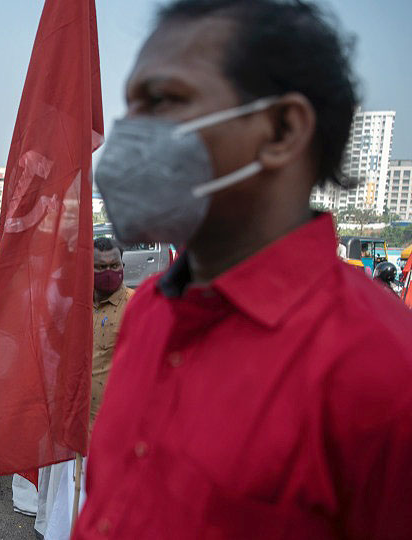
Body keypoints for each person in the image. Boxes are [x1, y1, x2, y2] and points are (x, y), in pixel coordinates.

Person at [78, 0, 412, 537]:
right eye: (131, 106)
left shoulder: (385, 376)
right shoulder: (151, 315)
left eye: (163, 100)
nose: (127, 139)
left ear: (282, 129)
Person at [36, 237, 133, 539]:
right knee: (74, 508)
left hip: (118, 432)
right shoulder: (74, 310)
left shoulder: (137, 306)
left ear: (123, 266)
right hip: (78, 429)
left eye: (114, 265)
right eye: (100, 267)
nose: (108, 272)